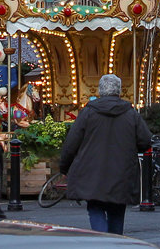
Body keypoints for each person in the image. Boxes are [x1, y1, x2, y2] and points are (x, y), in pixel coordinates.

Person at [59, 73, 152, 235]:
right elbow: (145, 141)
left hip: (92, 172)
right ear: (119, 91)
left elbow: (71, 143)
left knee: (95, 208)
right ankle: (114, 242)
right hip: (121, 172)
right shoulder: (131, 114)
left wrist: (64, 167)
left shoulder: (88, 113)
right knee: (117, 212)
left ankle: (102, 242)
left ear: (100, 91)